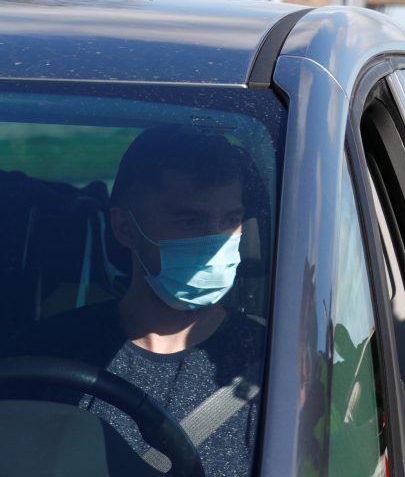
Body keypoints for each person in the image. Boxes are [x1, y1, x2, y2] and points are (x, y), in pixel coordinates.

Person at [4, 125, 266, 477]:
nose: (216, 241)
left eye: (230, 221)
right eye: (190, 221)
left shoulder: (268, 364)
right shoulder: (40, 353)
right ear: (126, 229)